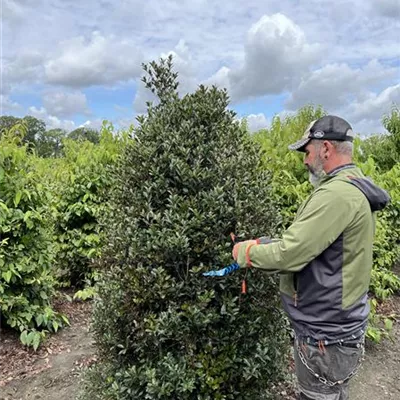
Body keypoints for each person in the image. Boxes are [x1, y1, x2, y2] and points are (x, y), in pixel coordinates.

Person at [232, 115, 390, 400]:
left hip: (324, 336)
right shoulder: (353, 187)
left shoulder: (336, 195)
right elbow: (316, 247)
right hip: (338, 329)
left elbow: (291, 254)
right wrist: (269, 243)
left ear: (326, 148)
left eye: (307, 152)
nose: (304, 160)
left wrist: (247, 252)